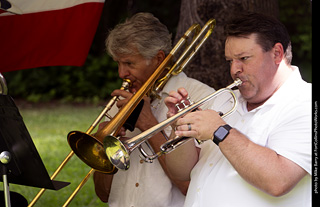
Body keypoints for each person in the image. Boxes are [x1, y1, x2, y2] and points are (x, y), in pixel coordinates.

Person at [164, 13, 311, 207]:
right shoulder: (225, 99)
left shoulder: (305, 102)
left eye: (244, 58)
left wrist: (219, 131)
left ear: (277, 53)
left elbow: (279, 180)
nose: (234, 70)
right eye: (230, 61)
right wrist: (181, 128)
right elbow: (182, 172)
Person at [93, 12, 216, 207]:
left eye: (129, 63)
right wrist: (102, 150)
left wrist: (149, 124)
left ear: (159, 58)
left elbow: (190, 186)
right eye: (118, 63)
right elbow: (103, 194)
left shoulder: (201, 98)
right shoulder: (122, 103)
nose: (121, 73)